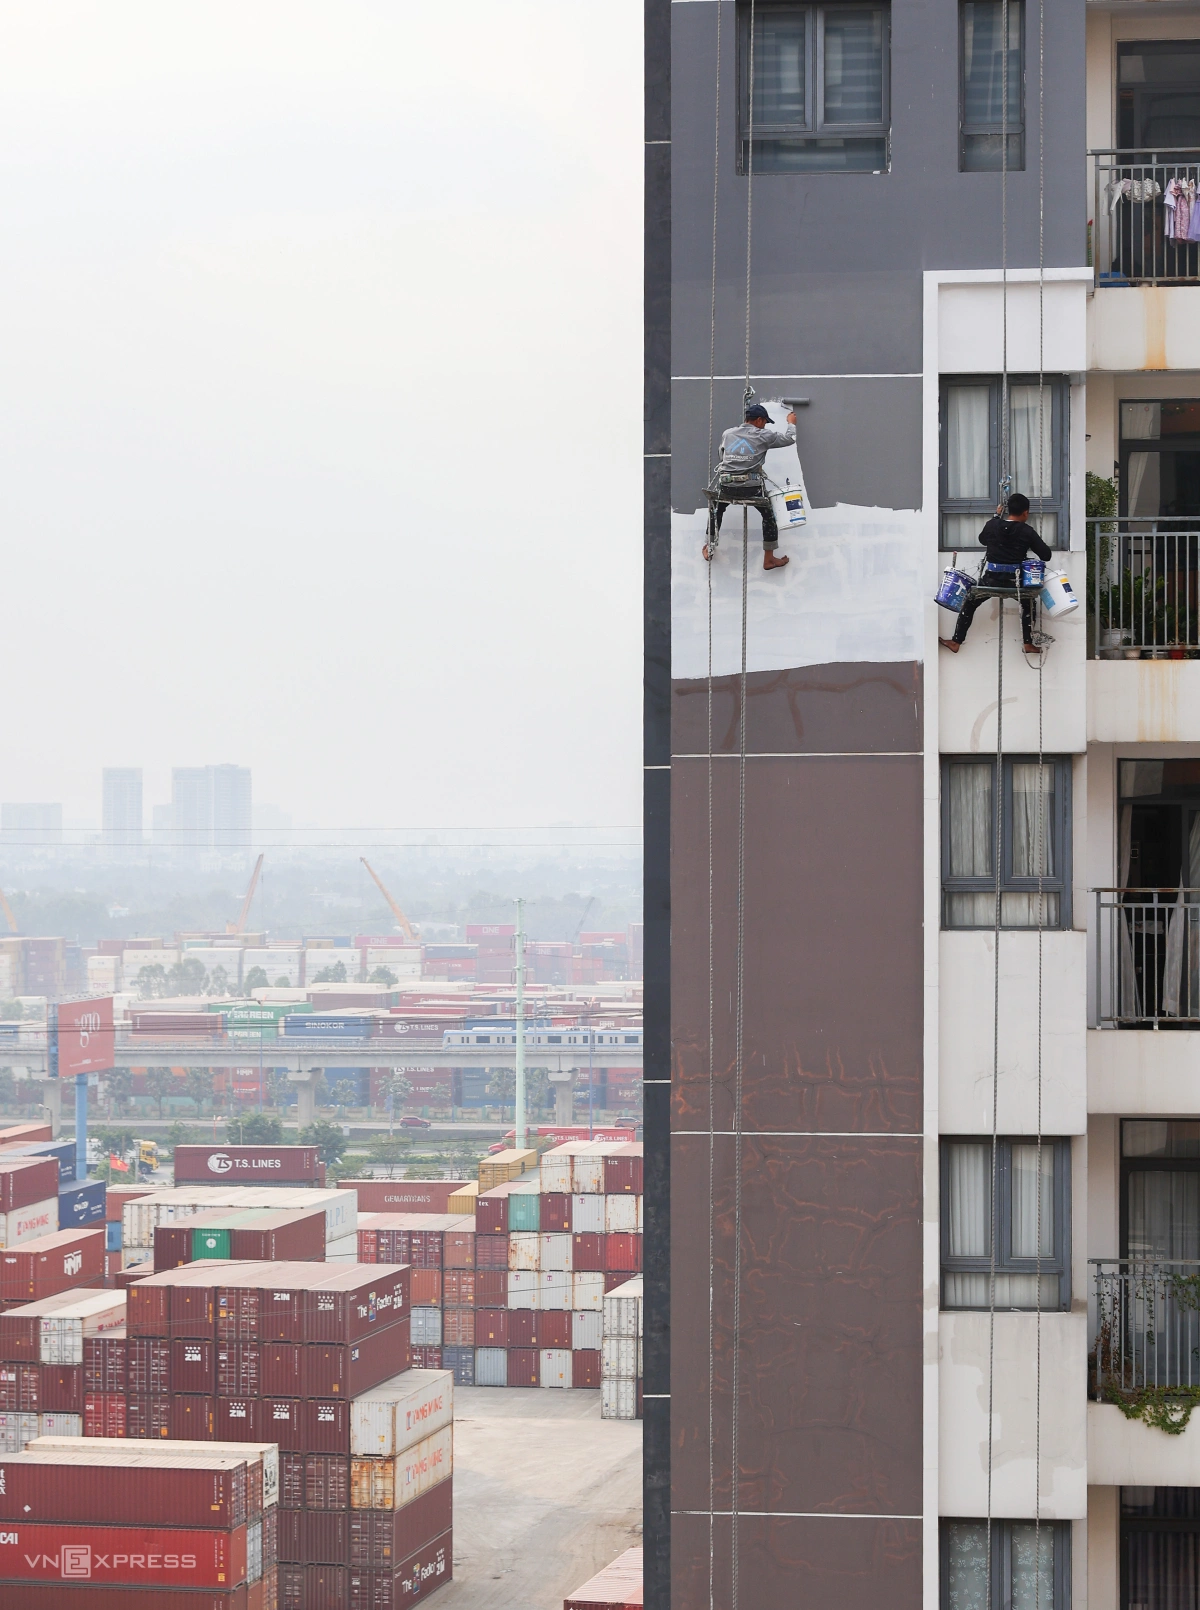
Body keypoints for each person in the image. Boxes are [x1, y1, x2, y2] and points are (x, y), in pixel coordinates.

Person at [939, 493, 1053, 656]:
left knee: (970, 602)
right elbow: (1046, 555)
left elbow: (982, 539)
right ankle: (1028, 643)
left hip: (991, 579)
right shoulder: (1027, 531)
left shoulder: (992, 525)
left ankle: (956, 641)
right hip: (1015, 582)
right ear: (1025, 513)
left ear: (1008, 510)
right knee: (1029, 604)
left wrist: (996, 517)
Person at [704, 402, 797, 571]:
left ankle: (708, 547)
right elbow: (789, 439)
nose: (765, 426)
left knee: (716, 509)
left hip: (727, 485)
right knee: (768, 515)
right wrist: (791, 423)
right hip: (751, 487)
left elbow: (722, 456)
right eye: (765, 422)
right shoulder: (764, 435)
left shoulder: (728, 433)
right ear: (759, 420)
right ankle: (769, 559)